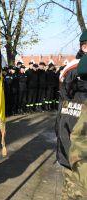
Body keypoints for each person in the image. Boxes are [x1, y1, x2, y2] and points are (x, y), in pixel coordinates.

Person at [57, 55, 87, 199]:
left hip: (66, 155)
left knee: (68, 192)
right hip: (81, 167)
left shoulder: (67, 96)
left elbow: (59, 125)